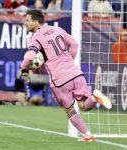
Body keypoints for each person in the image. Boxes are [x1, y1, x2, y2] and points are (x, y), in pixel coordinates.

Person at [20, 9, 112, 142]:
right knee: (84, 106)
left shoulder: (36, 37)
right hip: (75, 73)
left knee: (70, 110)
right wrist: (70, 60)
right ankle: (94, 98)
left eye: (27, 20)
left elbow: (29, 56)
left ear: (36, 22)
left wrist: (23, 68)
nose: (25, 23)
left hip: (60, 80)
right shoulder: (58, 30)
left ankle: (87, 135)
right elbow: (74, 44)